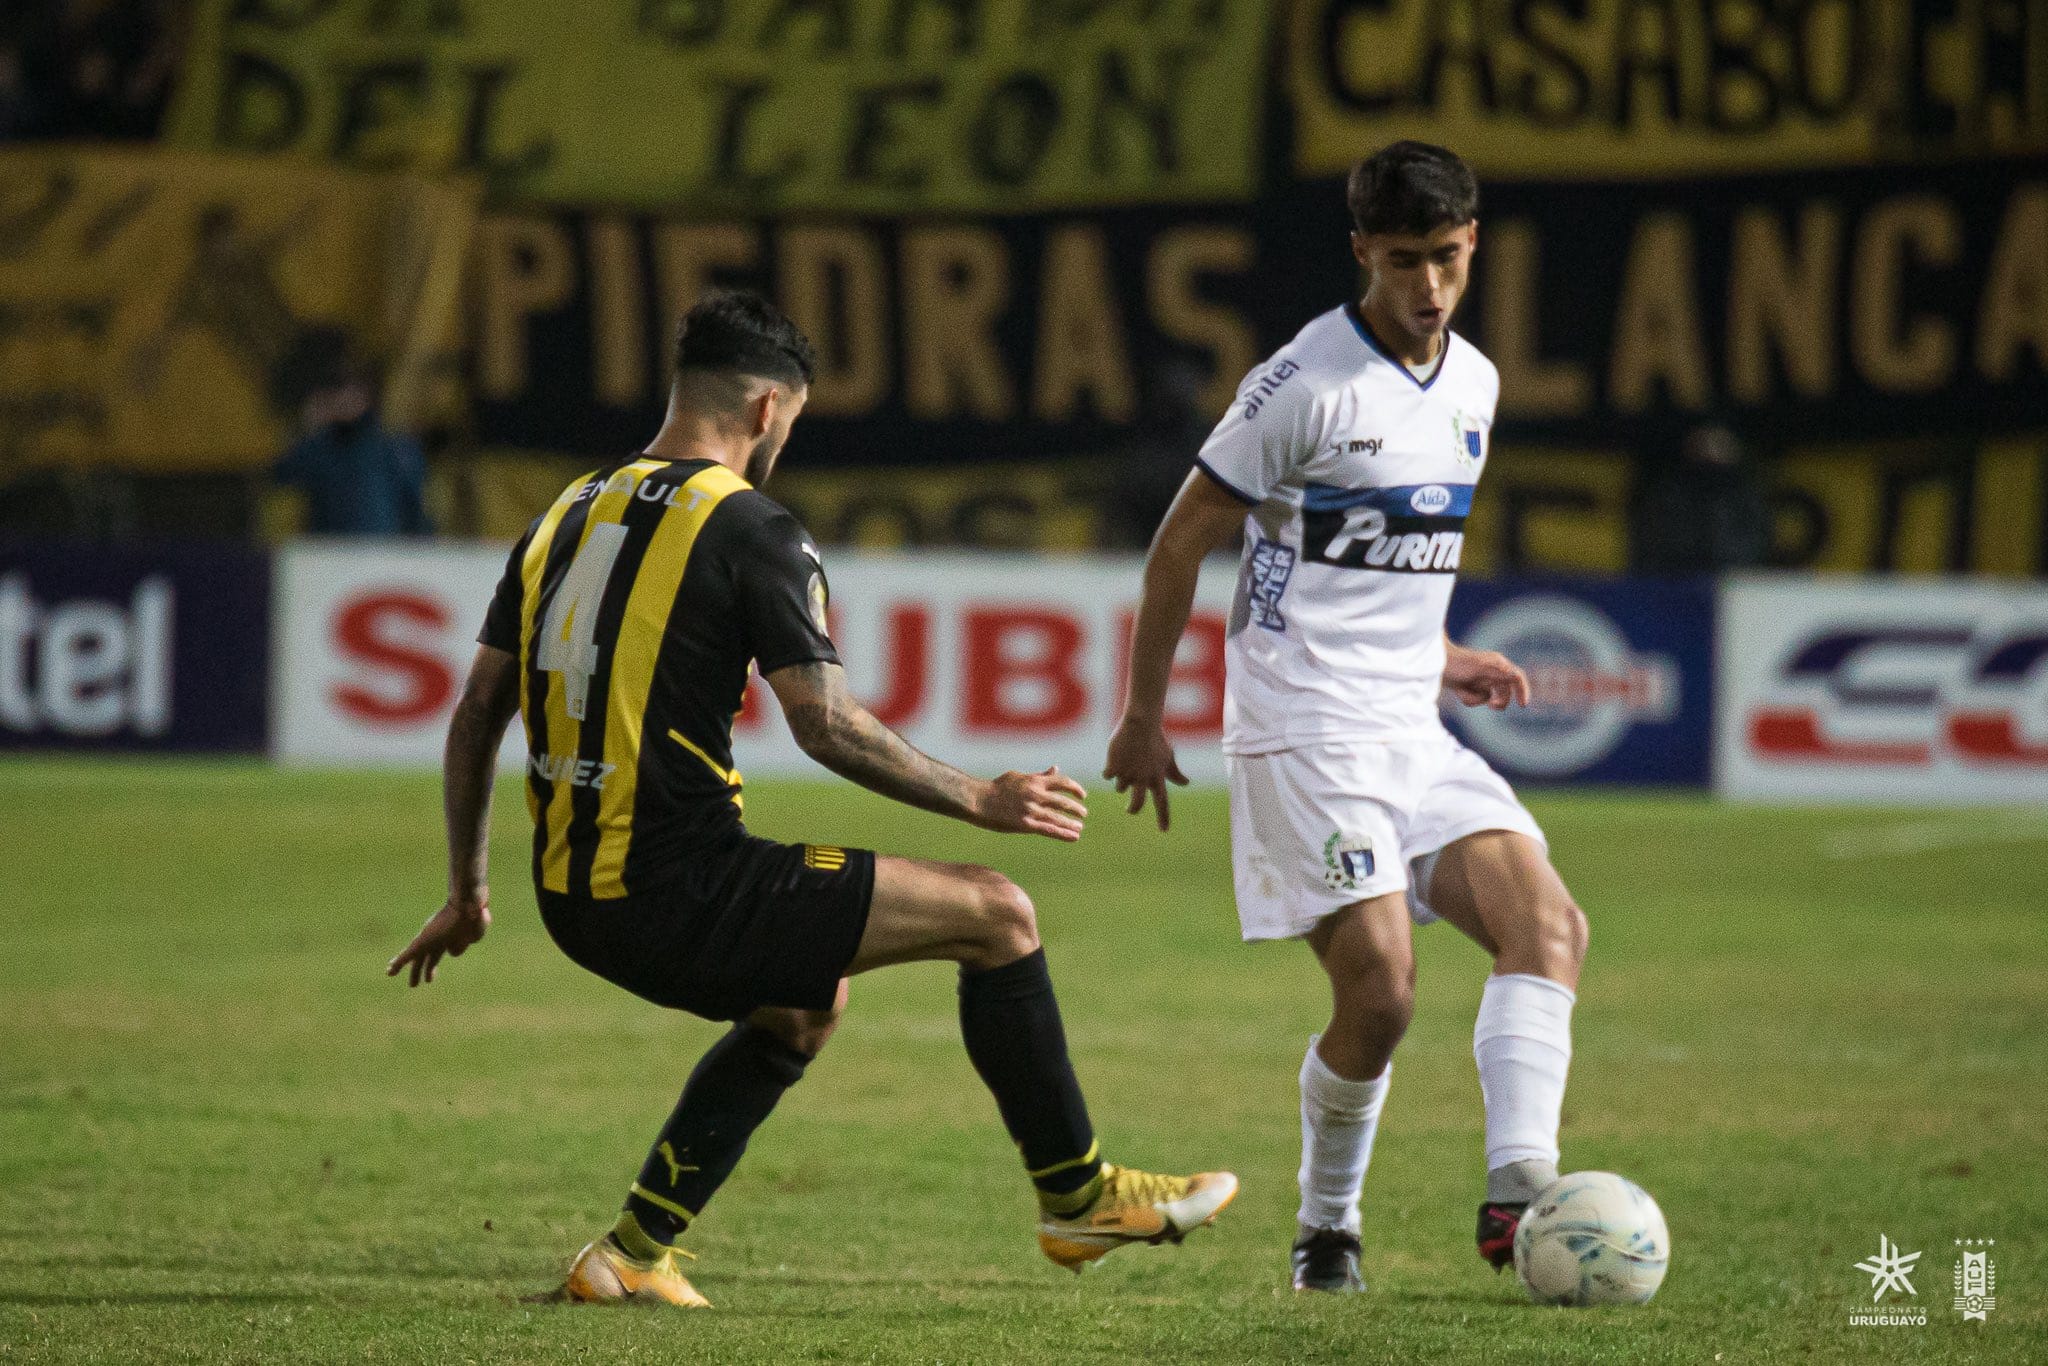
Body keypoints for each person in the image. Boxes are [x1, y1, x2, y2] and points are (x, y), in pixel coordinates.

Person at [387, 291, 1235, 1308]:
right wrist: (982, 797)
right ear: (764, 408)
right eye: (790, 420)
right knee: (997, 913)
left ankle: (628, 1255)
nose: (785, 438)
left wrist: (467, 889)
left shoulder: (565, 511)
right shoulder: (753, 529)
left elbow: (478, 707)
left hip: (572, 894)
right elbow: (823, 724)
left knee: (801, 1003)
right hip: (675, 886)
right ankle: (1078, 1196)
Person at [1103, 143, 1588, 1294]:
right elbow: (1180, 543)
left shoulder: (1472, 381)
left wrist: (1443, 653)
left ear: (1474, 244)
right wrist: (1139, 714)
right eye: (1407, 260)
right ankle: (1327, 1229)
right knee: (1381, 987)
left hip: (1406, 726)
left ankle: (1520, 1190)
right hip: (1302, 727)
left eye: (1450, 258)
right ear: (1363, 251)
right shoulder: (1300, 386)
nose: (1430, 285)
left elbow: (1393, 562)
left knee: (1549, 929)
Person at [271, 336, 433, 537]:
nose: (343, 401)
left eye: (351, 391)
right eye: (338, 392)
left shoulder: (395, 448)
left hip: (384, 555)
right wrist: (308, 429)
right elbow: (282, 475)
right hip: (331, 556)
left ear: (366, 396)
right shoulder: (320, 447)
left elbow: (416, 510)